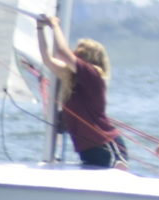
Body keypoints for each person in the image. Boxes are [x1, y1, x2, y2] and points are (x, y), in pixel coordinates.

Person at [36, 15, 119, 168]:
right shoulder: (74, 77)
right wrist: (40, 28)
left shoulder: (92, 74)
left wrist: (55, 25)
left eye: (79, 50)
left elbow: (61, 52)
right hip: (88, 148)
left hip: (105, 145)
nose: (74, 52)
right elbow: (47, 59)